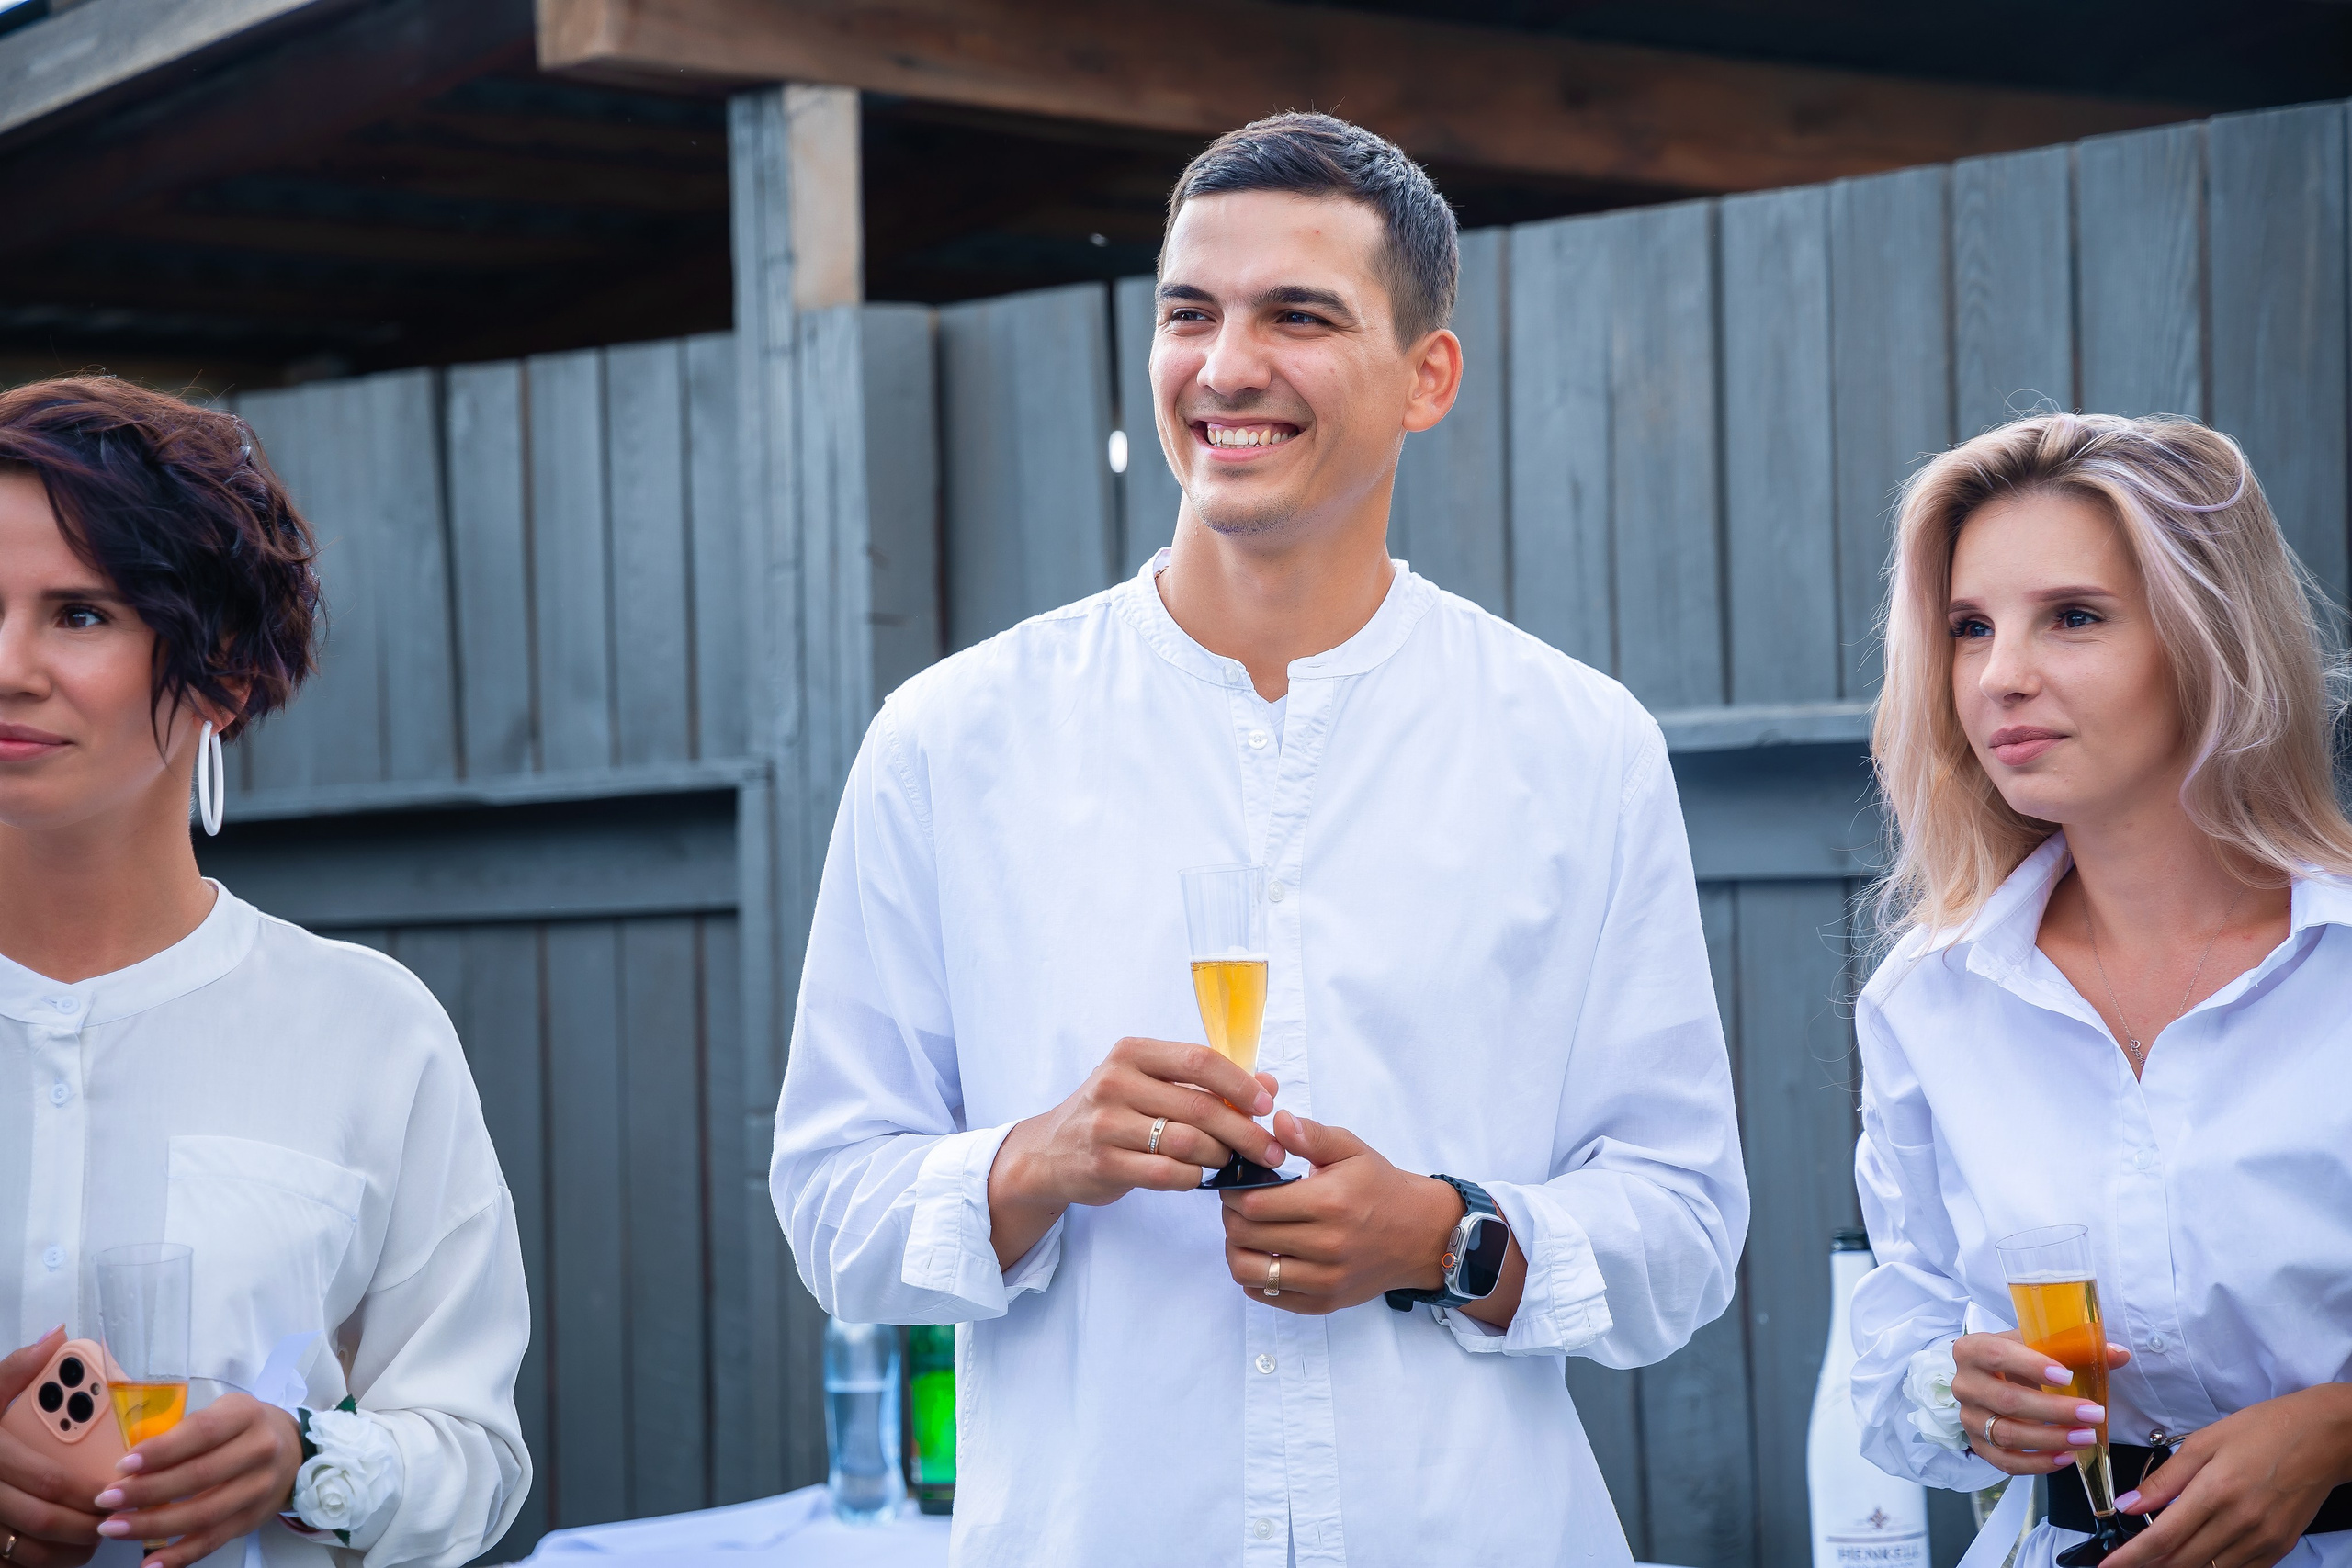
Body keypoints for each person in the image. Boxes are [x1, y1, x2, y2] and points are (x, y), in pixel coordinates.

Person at [771, 113, 1747, 1565]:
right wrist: (1036, 1159)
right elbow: (828, 1200)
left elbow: (1686, 1221)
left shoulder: (1578, 745)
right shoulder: (949, 740)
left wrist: (1445, 1234)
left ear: (1431, 375)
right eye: (1189, 312)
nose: (1226, 367)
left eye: (1297, 314)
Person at [0, 378, 531, 1568]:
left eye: (79, 613)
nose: (10, 664)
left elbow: (476, 1453)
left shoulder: (368, 1031)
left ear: (225, 671)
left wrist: (310, 1461)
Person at [1850, 412, 2352, 1568]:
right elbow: (1900, 1334)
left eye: (2071, 617)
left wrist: (2333, 1431)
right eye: (1969, 628)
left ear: (2206, 639)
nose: (2002, 677)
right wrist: (1956, 1395)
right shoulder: (1929, 997)